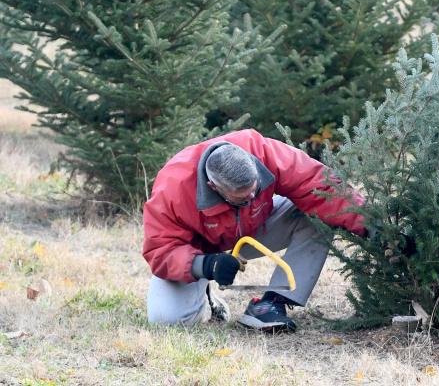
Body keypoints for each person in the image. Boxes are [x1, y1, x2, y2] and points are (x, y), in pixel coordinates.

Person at [142, 128, 365, 333]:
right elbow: (160, 249)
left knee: (318, 212)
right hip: (201, 248)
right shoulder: (172, 187)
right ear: (214, 188)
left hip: (259, 226)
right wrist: (206, 265)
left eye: (255, 191)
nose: (251, 199)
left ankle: (272, 304)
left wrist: (371, 224)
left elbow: (321, 186)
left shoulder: (263, 150)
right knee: (166, 319)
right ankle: (208, 301)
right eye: (241, 199)